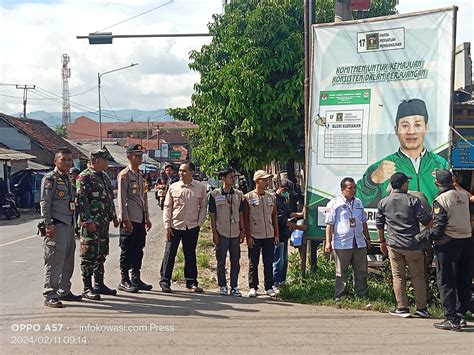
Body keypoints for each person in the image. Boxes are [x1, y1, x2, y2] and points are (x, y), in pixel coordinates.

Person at [356, 99, 450, 207]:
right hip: (398, 224)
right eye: (405, 126)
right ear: (396, 129)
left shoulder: (441, 164)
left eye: (417, 125)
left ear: (426, 127)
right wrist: (371, 181)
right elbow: (355, 202)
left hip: (435, 223)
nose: (411, 132)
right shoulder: (381, 168)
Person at [376, 172, 432, 318]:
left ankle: (402, 308)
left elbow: (380, 225)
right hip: (413, 245)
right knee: (418, 277)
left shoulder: (383, 202)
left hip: (394, 245)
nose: (408, 184)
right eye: (407, 182)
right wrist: (424, 233)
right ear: (403, 184)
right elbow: (426, 221)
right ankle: (421, 309)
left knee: (398, 277)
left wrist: (382, 242)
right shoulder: (413, 200)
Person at [428, 170, 472, 331]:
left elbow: (439, 228)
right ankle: (460, 315)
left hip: (448, 243)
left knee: (446, 280)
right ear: (452, 181)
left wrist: (423, 236)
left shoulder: (440, 200)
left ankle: (451, 318)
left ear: (437, 183)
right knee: (463, 279)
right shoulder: (464, 197)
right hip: (467, 241)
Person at [40, 147, 82, 308]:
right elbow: (45, 202)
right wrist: (48, 224)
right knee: (54, 260)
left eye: (69, 160)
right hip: (56, 225)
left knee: (68, 260)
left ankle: (64, 290)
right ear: (55, 161)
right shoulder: (50, 179)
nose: (66, 162)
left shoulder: (67, 179)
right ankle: (50, 293)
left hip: (69, 224)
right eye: (63, 159)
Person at [76, 149, 119, 300]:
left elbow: (109, 198)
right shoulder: (84, 177)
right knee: (89, 255)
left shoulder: (104, 177)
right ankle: (87, 288)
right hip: (91, 225)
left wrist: (113, 216)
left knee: (101, 254)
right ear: (95, 160)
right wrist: (88, 221)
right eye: (105, 160)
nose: (107, 163)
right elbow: (82, 202)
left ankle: (99, 284)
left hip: (103, 223)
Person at [160, 162, 208, 293]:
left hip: (192, 226)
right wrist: (166, 225)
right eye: (180, 171)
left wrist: (199, 223)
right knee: (170, 253)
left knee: (190, 254)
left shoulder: (200, 187)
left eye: (184, 171)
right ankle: (165, 281)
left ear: (192, 172)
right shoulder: (174, 187)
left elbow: (203, 206)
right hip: (175, 225)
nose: (181, 173)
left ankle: (191, 282)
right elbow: (167, 206)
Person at [324, 177, 371, 300]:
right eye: (350, 188)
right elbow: (330, 224)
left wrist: (368, 238)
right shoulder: (334, 203)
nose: (353, 190)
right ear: (342, 190)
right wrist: (328, 243)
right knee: (341, 271)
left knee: (361, 271)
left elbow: (364, 221)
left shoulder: (359, 202)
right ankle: (341, 295)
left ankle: (361, 295)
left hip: (359, 242)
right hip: (342, 243)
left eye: (354, 187)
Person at [117, 144, 152, 293]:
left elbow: (143, 198)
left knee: (138, 249)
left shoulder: (140, 176)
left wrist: (147, 217)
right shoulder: (124, 175)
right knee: (127, 250)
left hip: (140, 219)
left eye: (141, 155)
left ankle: (136, 278)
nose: (140, 158)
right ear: (129, 156)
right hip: (129, 219)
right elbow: (121, 199)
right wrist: (125, 219)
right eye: (137, 155)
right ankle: (124, 279)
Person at [243, 170, 280, 298]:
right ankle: (253, 286)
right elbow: (246, 219)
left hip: (269, 234)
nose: (266, 182)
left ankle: (269, 286)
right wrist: (248, 236)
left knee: (268, 261)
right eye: (264, 180)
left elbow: (274, 216)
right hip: (255, 235)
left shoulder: (271, 197)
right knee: (253, 262)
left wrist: (276, 234)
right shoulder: (248, 198)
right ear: (258, 181)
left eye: (267, 180)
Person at [209, 168, 245, 297]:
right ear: (223, 178)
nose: (233, 179)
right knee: (221, 261)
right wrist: (214, 233)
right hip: (221, 232)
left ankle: (234, 286)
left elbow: (241, 213)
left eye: (234, 177)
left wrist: (242, 231)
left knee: (235, 261)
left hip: (235, 233)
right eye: (230, 177)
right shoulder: (214, 194)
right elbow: (212, 216)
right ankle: (222, 285)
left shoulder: (238, 194)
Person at [273, 179, 300, 289]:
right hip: (277, 234)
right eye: (288, 192)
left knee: (284, 260)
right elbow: (281, 220)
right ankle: (275, 283)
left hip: (284, 235)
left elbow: (289, 213)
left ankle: (282, 282)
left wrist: (301, 214)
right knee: (278, 260)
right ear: (283, 189)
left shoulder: (283, 200)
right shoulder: (274, 200)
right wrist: (298, 227)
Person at [69, 167, 81, 239]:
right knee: (74, 216)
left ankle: (79, 228)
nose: (72, 176)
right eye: (70, 174)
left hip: (80, 202)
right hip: (72, 203)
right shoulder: (69, 183)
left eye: (73, 174)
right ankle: (75, 229)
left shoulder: (80, 182)